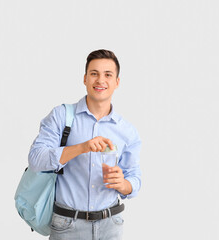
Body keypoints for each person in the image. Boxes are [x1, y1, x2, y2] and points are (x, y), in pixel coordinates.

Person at [28, 49, 141, 240]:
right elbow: (36, 159)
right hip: (67, 225)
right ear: (85, 78)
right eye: (94, 73)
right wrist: (82, 147)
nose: (100, 80)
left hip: (111, 225)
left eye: (108, 75)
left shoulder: (127, 131)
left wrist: (124, 184)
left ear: (117, 82)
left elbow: (135, 178)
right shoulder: (61, 116)